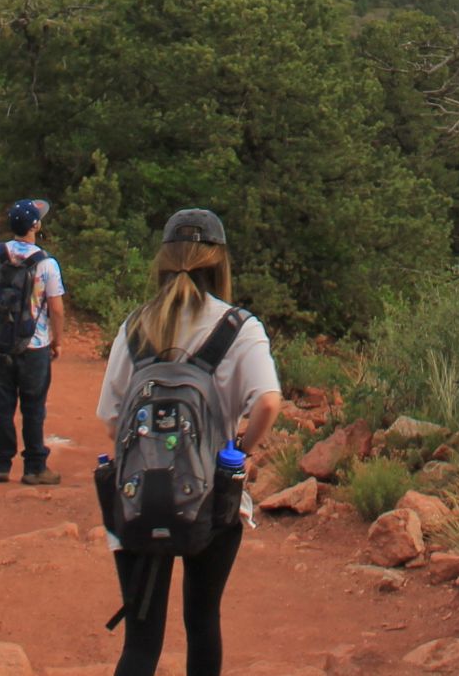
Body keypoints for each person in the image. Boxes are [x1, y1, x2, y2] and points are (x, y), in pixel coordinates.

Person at [97, 207, 282, 676]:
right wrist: (238, 452)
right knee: (202, 622)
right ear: (219, 262)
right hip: (211, 501)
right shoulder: (238, 328)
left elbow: (110, 417)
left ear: (163, 259)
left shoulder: (136, 326)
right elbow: (268, 402)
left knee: (141, 643)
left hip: (138, 498)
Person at [0, 198, 66, 485]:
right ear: (35, 225)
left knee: (3, 405)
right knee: (33, 406)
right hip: (35, 345)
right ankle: (34, 468)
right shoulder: (46, 263)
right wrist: (57, 341)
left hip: (0, 343)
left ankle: (1, 466)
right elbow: (56, 308)